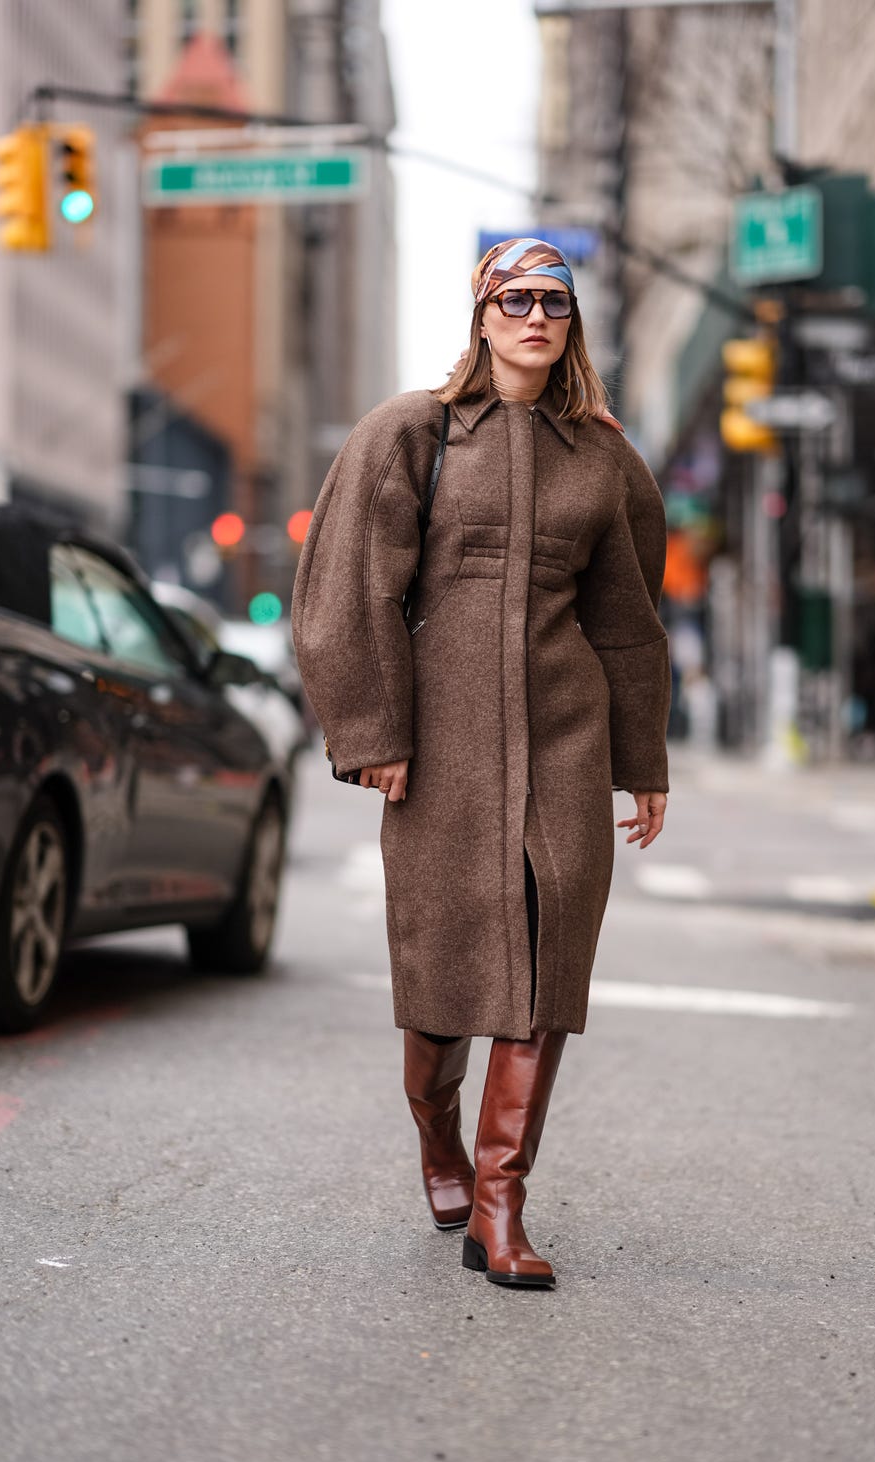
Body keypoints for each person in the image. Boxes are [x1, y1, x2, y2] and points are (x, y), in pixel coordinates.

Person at [292, 238, 670, 1290]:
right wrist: (373, 735)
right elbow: (346, 587)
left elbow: (629, 620)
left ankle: (499, 1203)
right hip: (442, 736)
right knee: (441, 976)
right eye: (516, 299)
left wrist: (643, 758)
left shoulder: (599, 455)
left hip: (564, 727)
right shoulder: (411, 433)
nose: (535, 316)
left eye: (553, 300)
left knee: (548, 961)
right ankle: (435, 1135)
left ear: (570, 321)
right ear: (483, 313)